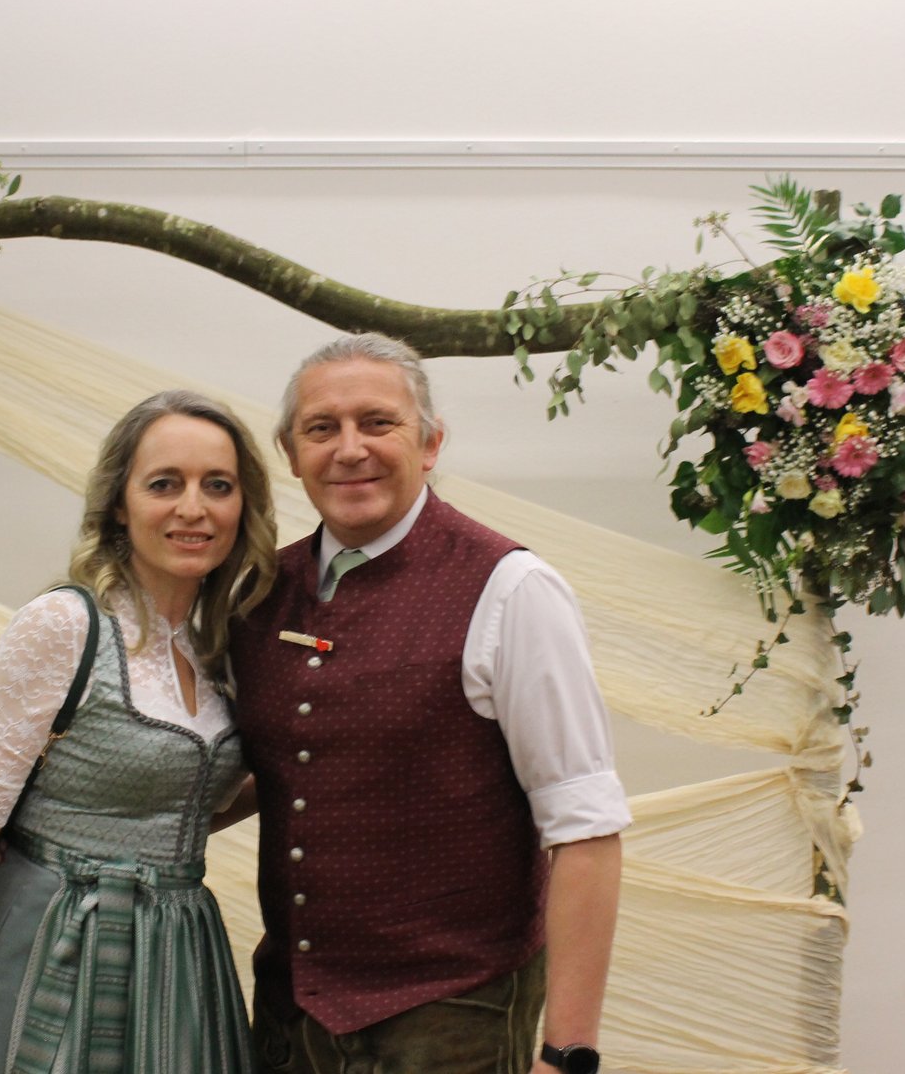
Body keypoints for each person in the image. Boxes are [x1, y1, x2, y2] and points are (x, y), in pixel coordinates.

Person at [229, 334, 631, 1074]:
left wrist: (568, 1054)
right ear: (290, 452)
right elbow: (272, 767)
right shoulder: (258, 593)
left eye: (378, 422)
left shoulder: (513, 590)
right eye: (321, 428)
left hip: (454, 1018)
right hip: (290, 1016)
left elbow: (585, 827)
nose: (350, 449)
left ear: (431, 442)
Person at [0, 389, 277, 1074]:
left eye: (217, 485)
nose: (193, 508)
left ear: (243, 505)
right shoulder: (64, 626)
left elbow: (176, 809)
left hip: (181, 960)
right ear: (119, 503)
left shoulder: (222, 646)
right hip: (58, 947)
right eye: (164, 484)